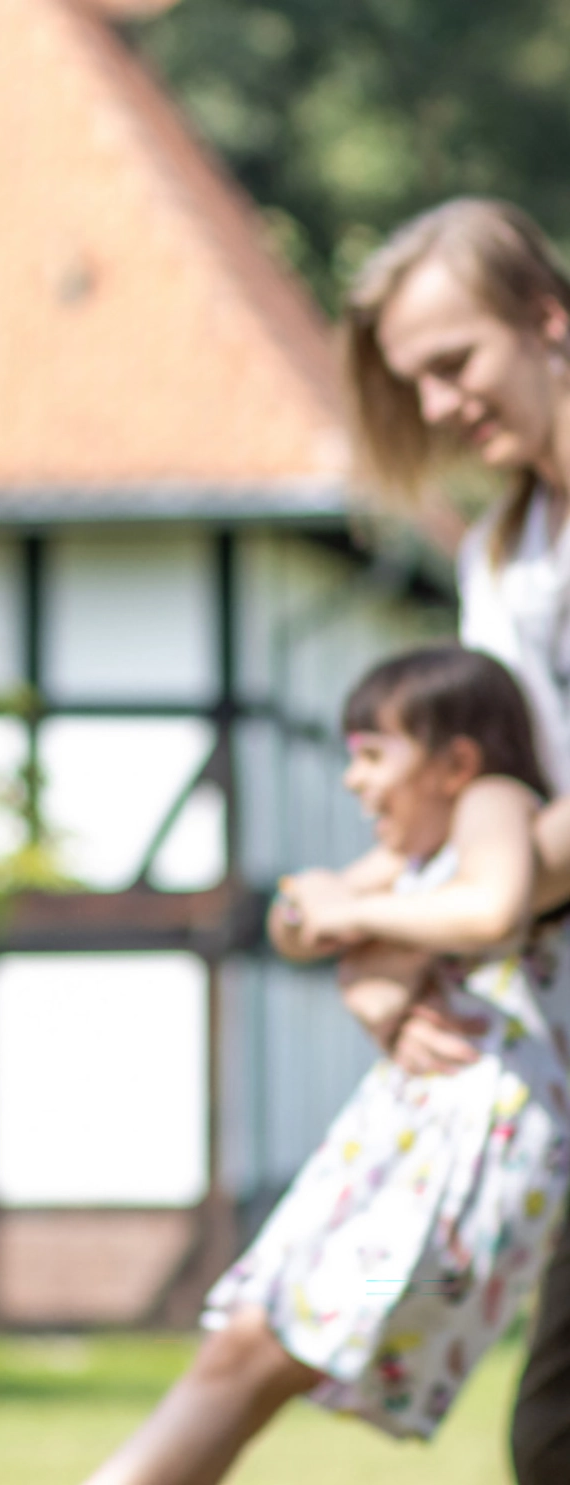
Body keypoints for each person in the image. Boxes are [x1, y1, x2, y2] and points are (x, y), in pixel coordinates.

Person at [83, 645, 570, 1483]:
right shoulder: (426, 849)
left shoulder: (496, 797)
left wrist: (360, 918)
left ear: (455, 762)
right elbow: (297, 915)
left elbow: (489, 907)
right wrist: (340, 921)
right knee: (247, 1344)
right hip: (414, 1130)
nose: (354, 782)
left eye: (374, 756)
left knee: (251, 1346)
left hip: (465, 1137)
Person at [343, 197, 570, 1482]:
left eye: (453, 365)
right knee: (550, 1434)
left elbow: (517, 845)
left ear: (549, 319)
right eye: (411, 383)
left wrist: (405, 922)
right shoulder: (501, 549)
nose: (434, 408)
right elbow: (482, 797)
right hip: (555, 1011)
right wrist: (370, 941)